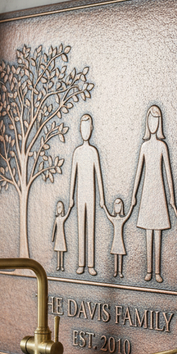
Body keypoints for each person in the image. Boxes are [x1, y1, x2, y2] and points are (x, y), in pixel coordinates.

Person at [131, 105, 177, 283]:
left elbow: (168, 174)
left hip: (159, 192)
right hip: (146, 192)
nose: (153, 123)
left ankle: (158, 271)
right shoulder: (144, 147)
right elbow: (138, 173)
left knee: (157, 231)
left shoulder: (162, 146)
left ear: (160, 123)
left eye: (156, 120)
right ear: (147, 122)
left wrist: (172, 196)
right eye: (151, 119)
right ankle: (149, 270)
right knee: (148, 232)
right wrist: (134, 194)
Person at [68, 114, 106, 276]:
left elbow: (99, 176)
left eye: (87, 128)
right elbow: (73, 177)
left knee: (90, 228)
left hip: (91, 195)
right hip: (80, 195)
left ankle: (90, 264)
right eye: (82, 128)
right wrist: (70, 197)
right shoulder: (77, 152)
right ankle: (81, 263)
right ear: (79, 130)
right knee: (80, 228)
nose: (85, 131)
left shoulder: (93, 152)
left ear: (91, 129)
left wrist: (102, 198)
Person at [102, 197, 133, 278]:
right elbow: (108, 215)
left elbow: (128, 214)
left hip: (120, 240)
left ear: (121, 207)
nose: (117, 208)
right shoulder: (113, 219)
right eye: (116, 206)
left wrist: (132, 206)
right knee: (115, 255)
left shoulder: (122, 219)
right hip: (115, 240)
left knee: (120, 255)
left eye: (119, 206)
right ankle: (115, 271)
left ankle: (120, 271)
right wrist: (104, 206)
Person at [51, 200, 69, 271]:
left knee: (61, 252)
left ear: (62, 209)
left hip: (62, 237)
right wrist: (52, 237)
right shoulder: (57, 219)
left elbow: (67, 215)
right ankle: (58, 265)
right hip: (58, 237)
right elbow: (54, 229)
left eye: (60, 207)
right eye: (58, 207)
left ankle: (62, 266)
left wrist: (70, 207)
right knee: (58, 252)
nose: (59, 209)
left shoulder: (62, 219)